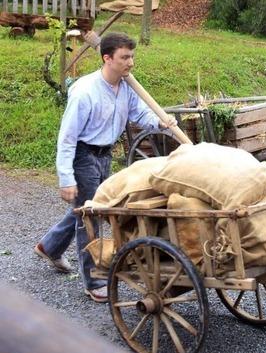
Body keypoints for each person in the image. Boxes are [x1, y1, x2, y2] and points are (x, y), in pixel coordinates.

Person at [33, 32, 176, 303]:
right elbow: (67, 137)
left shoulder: (126, 87)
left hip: (105, 155)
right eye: (125, 57)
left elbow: (139, 114)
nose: (130, 63)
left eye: (132, 56)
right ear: (107, 58)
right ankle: (94, 280)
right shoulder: (85, 92)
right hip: (83, 155)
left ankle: (48, 246)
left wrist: (161, 121)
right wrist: (66, 178)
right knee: (92, 215)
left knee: (86, 208)